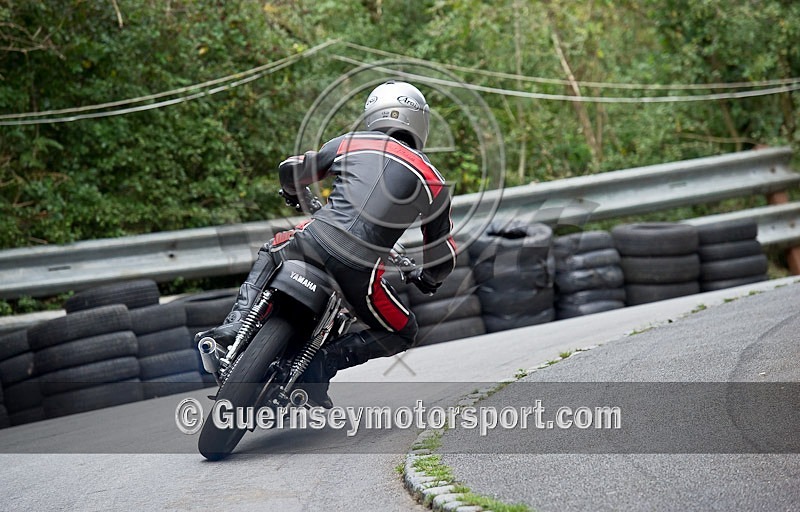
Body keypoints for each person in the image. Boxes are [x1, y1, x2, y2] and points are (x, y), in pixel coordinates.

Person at [196, 81, 457, 407]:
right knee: (404, 330)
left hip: (313, 242)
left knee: (273, 248)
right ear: (420, 120)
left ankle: (232, 330)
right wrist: (428, 278)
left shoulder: (351, 142)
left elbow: (290, 169)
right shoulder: (433, 180)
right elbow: (442, 255)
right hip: (359, 274)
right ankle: (320, 365)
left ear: (372, 114)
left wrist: (293, 193)